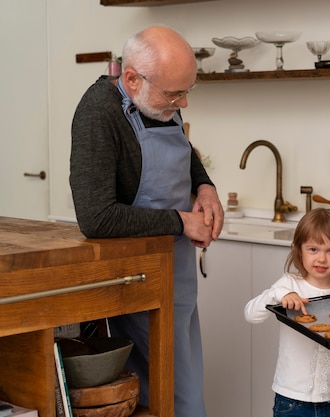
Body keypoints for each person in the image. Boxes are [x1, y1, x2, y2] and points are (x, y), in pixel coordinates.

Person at [69, 25, 224, 417]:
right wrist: (181, 222)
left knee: (186, 383)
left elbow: (185, 154)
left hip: (177, 273)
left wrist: (205, 188)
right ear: (132, 78)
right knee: (162, 394)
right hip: (136, 282)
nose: (183, 104)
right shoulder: (99, 113)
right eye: (175, 94)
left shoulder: (157, 100)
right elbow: (97, 217)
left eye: (187, 91)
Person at [244, 208, 330, 417]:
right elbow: (250, 314)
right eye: (313, 249)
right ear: (299, 250)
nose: (322, 259)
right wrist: (278, 295)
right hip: (291, 400)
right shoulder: (289, 285)